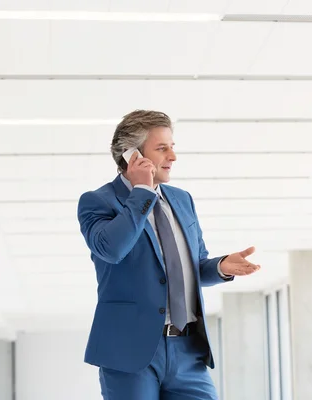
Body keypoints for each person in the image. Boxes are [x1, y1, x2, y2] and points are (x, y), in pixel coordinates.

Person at [77, 110, 260, 399]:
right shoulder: (98, 202)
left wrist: (222, 267)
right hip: (130, 354)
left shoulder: (181, 199)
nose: (172, 157)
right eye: (162, 148)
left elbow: (192, 267)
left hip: (187, 351)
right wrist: (141, 191)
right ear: (132, 155)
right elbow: (111, 249)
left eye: (172, 147)